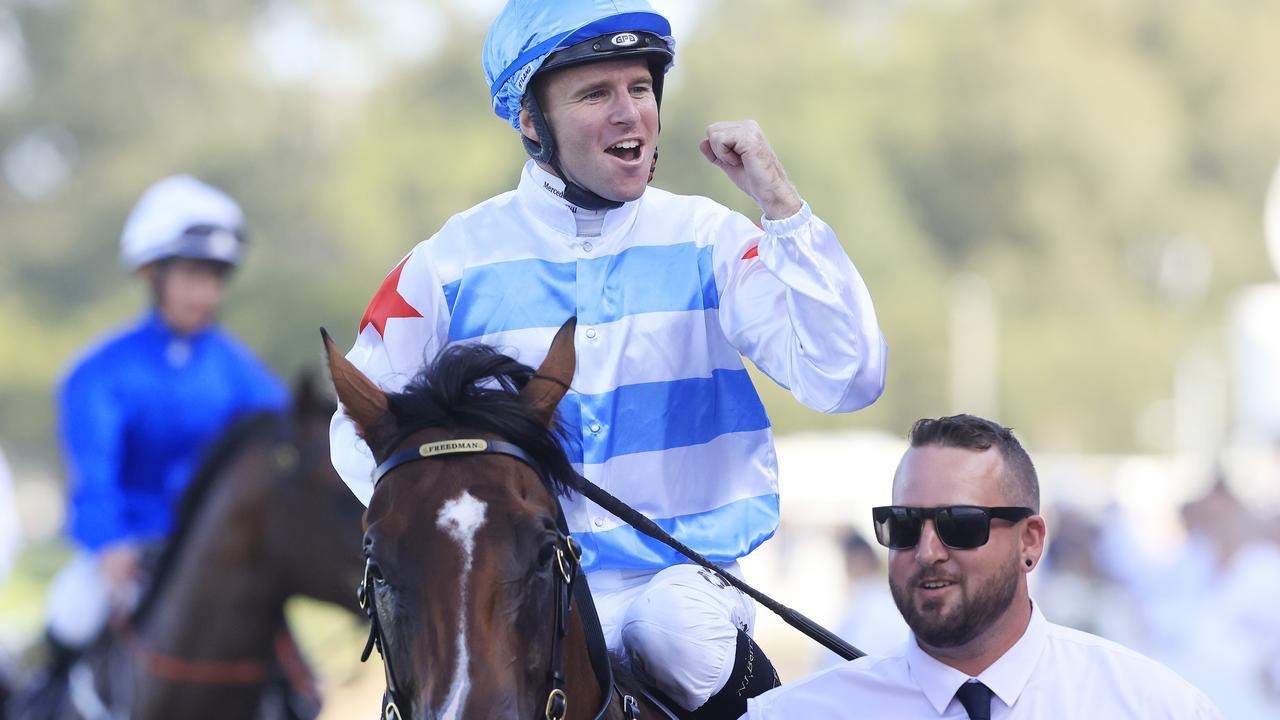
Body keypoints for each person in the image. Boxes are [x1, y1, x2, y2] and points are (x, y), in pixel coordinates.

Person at [328, 0, 888, 715]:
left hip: (685, 590)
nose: (631, 114)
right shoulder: (445, 265)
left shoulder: (710, 239)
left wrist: (783, 209)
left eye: (641, 88)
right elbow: (354, 427)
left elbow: (850, 376)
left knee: (674, 634)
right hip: (518, 589)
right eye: (596, 93)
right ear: (531, 120)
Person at [744, 414, 1221, 719]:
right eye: (904, 524)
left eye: (960, 524)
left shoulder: (1151, 707)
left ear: (1030, 541)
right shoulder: (801, 713)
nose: (927, 550)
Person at [34, 174, 286, 690]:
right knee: (71, 614)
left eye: (218, 277)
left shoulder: (238, 369)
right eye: (194, 275)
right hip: (127, 552)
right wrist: (110, 546)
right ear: (152, 273)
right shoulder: (97, 374)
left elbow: (282, 444)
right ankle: (43, 697)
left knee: (289, 662)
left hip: (214, 553)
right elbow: (94, 479)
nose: (209, 293)